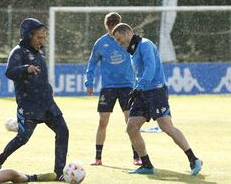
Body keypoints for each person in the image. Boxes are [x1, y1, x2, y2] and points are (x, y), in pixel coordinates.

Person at [111, 23, 202, 175]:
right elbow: (140, 72)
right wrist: (137, 88)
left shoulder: (146, 45)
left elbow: (150, 68)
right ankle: (147, 165)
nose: (119, 43)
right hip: (142, 92)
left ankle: (193, 159)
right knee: (131, 127)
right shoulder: (132, 50)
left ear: (128, 32)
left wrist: (139, 86)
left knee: (166, 127)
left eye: (119, 39)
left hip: (156, 91)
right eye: (117, 41)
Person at [0, 18, 69, 181]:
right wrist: (26, 68)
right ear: (28, 36)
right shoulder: (18, 51)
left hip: (47, 102)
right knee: (23, 138)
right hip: (29, 104)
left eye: (44, 37)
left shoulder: (40, 51)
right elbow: (9, 72)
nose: (42, 41)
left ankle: (59, 172)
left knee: (63, 131)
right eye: (39, 37)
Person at [85, 12, 141, 166]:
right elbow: (92, 63)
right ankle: (98, 157)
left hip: (127, 86)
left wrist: (139, 79)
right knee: (103, 121)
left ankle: (137, 156)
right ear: (106, 26)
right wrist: (88, 82)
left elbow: (139, 58)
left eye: (114, 27)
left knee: (130, 121)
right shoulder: (100, 43)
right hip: (108, 87)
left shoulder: (128, 41)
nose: (111, 30)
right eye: (109, 27)